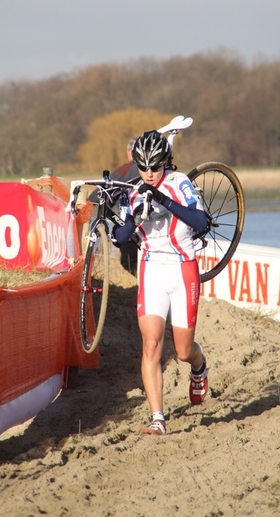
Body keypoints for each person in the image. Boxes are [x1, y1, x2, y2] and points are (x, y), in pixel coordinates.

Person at [112, 130, 210, 435]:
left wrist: (165, 201)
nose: (150, 174)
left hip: (183, 270)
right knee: (151, 343)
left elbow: (201, 222)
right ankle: (157, 418)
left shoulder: (179, 183)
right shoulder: (134, 190)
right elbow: (118, 239)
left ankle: (199, 366)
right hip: (152, 270)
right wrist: (134, 220)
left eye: (155, 166)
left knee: (182, 351)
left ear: (165, 161)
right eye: (144, 168)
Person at [109, 137, 140, 276]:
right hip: (148, 225)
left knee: (129, 262)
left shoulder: (123, 170)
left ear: (129, 152)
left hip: (128, 224)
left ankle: (135, 282)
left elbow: (106, 194)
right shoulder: (154, 170)